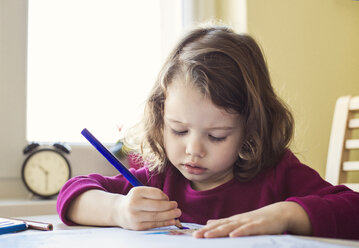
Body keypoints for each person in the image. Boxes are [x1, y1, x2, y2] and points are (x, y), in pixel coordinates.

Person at [57, 25, 359, 240]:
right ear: (162, 116)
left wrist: (286, 214)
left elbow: (353, 210)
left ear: (250, 127)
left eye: (216, 136)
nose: (193, 149)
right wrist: (118, 210)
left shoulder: (277, 174)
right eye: (178, 130)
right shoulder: (160, 177)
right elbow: (71, 195)